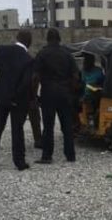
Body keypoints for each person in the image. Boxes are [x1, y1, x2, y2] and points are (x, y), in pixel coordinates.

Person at [0, 30, 34, 171]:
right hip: (18, 99)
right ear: (29, 43)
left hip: (1, 95)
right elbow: (26, 83)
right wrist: (17, 97)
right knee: (17, 129)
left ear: (17, 38)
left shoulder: (2, 50)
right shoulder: (28, 59)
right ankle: (19, 161)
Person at [33, 28, 78, 164]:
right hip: (65, 93)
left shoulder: (42, 54)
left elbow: (35, 77)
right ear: (59, 39)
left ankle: (47, 156)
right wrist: (72, 92)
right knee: (67, 125)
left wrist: (34, 95)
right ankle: (70, 155)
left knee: (48, 126)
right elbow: (75, 76)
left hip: (48, 93)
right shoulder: (67, 54)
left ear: (47, 39)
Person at [81, 53, 105, 127]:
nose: (85, 62)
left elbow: (102, 82)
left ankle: (92, 119)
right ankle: (91, 119)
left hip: (95, 93)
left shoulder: (98, 70)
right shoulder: (83, 71)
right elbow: (82, 83)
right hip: (88, 93)